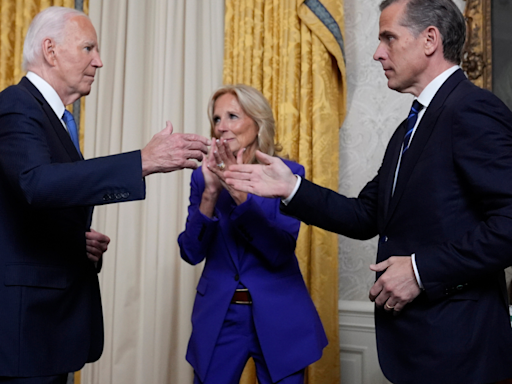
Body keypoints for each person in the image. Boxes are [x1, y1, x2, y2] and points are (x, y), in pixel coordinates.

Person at [224, 1, 512, 383]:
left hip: (462, 351)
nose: (378, 53)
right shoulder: (408, 128)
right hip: (418, 350)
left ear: (429, 40)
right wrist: (290, 188)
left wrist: (419, 270)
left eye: (388, 38)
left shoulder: (472, 109)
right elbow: (364, 215)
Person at [0, 6, 209, 383]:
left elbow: (32, 207)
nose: (99, 61)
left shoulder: (58, 118)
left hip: (46, 328)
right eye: (88, 48)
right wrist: (141, 161)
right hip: (23, 331)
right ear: (50, 51)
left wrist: (74, 241)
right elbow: (36, 183)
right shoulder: (17, 105)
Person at [178, 84, 327, 384]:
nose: (222, 127)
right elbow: (191, 253)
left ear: (257, 122)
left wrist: (238, 194)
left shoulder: (286, 174)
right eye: (217, 119)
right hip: (219, 315)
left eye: (232, 116)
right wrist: (209, 192)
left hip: (279, 313)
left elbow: (280, 250)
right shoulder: (202, 178)